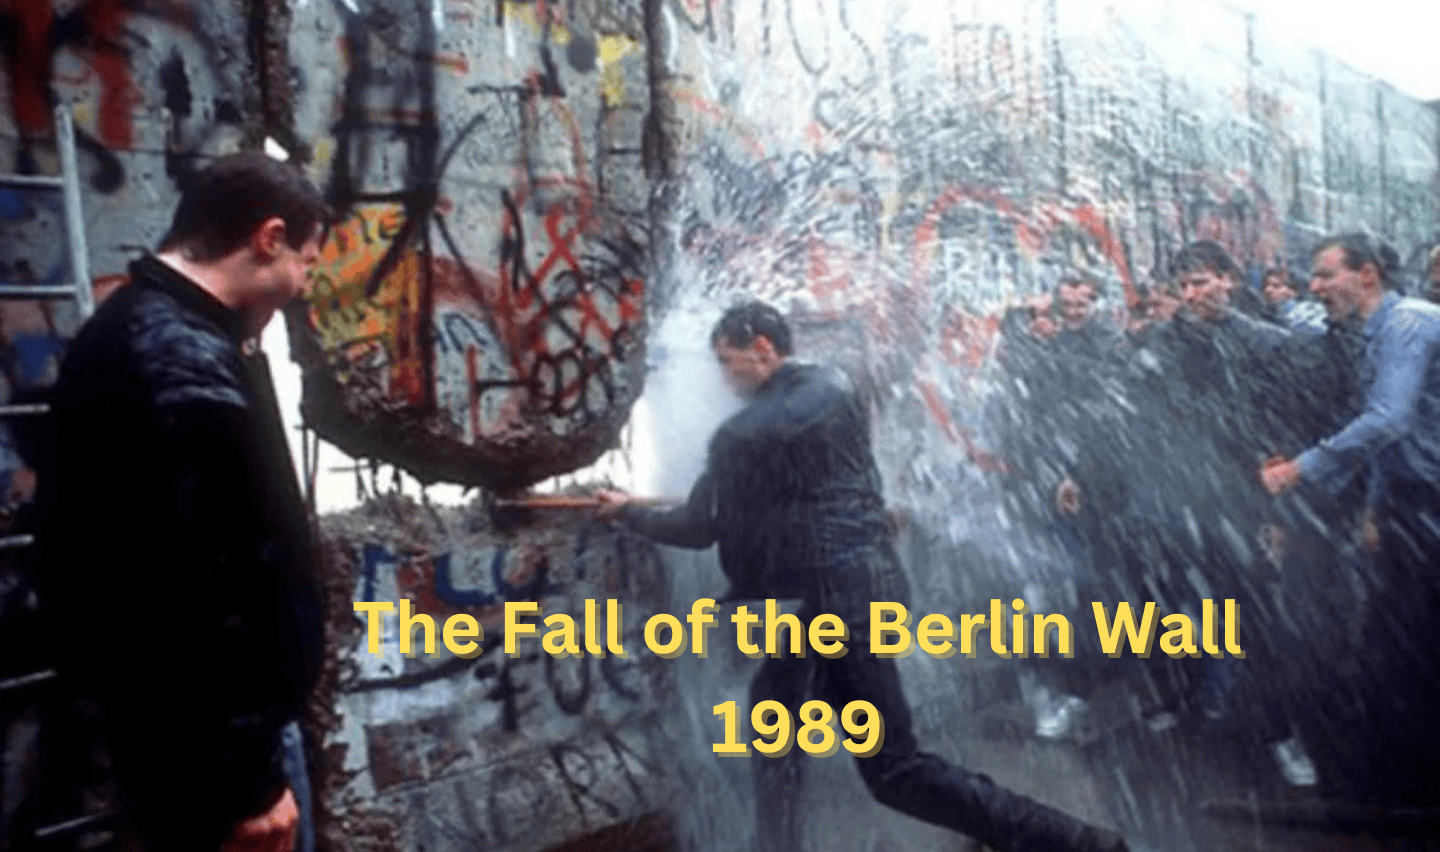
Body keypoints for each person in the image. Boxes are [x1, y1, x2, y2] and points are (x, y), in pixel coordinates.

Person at [594, 301, 1127, 852]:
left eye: (729, 362)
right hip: (863, 590)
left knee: (893, 769)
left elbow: (697, 526)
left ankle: (1069, 841)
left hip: (830, 608)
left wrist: (626, 511)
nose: (725, 378)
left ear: (762, 350)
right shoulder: (835, 389)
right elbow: (797, 493)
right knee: (775, 726)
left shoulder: (743, 435)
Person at [33, 152, 328, 852]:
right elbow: (200, 595)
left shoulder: (158, 329)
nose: (301, 286)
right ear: (268, 239)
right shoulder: (177, 362)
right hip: (217, 759)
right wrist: (251, 779)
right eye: (307, 264)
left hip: (187, 740)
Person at [1260, 232, 1440, 804]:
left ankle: (1401, 785)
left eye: (1325, 274)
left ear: (1367, 275)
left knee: (1406, 642)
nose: (1313, 287)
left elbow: (1387, 418)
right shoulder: (1374, 332)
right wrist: (1374, 509)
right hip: (1410, 503)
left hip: (1429, 503)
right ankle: (1395, 774)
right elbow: (1396, 437)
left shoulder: (1407, 323)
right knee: (1398, 640)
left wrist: (1301, 470)